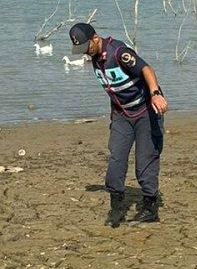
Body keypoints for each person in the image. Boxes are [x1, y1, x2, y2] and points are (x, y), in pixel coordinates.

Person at [69, 23, 168, 227]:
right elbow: (113, 90)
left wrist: (155, 94)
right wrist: (115, 116)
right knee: (116, 158)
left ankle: (150, 207)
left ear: (96, 39)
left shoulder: (119, 52)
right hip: (122, 115)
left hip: (145, 111)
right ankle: (117, 208)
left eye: (86, 48)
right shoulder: (96, 59)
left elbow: (146, 69)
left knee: (145, 162)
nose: (85, 54)